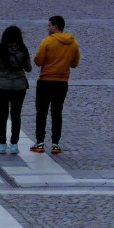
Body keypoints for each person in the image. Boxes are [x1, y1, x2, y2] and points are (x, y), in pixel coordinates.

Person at [31, 16, 81, 154]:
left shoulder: (47, 42)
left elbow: (38, 61)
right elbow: (75, 64)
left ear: (56, 26)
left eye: (49, 25)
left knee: (41, 112)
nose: (48, 28)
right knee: (57, 113)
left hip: (46, 81)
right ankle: (55, 144)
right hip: (62, 82)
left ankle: (40, 143)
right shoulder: (73, 43)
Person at [0, 25, 31, 155]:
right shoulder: (23, 49)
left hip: (1, 84)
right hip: (19, 85)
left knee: (2, 115)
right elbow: (28, 68)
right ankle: (14, 144)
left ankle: (2, 144)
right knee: (16, 114)